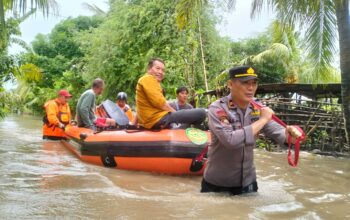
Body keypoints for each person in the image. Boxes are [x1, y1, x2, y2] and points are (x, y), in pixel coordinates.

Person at [201, 66, 304, 195]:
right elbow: (230, 140)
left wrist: (289, 136)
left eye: (254, 83)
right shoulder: (217, 109)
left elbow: (274, 129)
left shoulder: (258, 107)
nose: (251, 88)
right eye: (245, 83)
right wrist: (262, 121)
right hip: (217, 185)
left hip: (248, 183)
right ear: (230, 84)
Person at [135, 58, 206, 129]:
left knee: (195, 118)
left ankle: (183, 132)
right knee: (202, 113)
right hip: (156, 119)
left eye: (163, 70)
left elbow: (140, 108)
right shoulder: (148, 79)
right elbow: (160, 103)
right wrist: (176, 113)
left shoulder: (152, 83)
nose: (160, 72)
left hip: (153, 120)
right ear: (149, 69)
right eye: (157, 68)